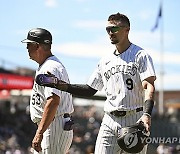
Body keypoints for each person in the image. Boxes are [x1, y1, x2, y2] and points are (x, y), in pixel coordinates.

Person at [36, 13, 156, 154]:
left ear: (127, 29)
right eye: (108, 30)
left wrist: (147, 114)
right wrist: (61, 85)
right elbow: (89, 89)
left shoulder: (140, 55)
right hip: (110, 119)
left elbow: (149, 85)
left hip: (135, 118)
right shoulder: (105, 61)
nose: (110, 33)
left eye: (114, 29)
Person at [21, 28, 74, 154]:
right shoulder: (47, 65)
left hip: (54, 125)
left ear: (37, 46)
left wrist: (40, 132)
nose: (27, 48)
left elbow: (53, 101)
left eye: (29, 44)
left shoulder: (49, 67)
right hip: (50, 124)